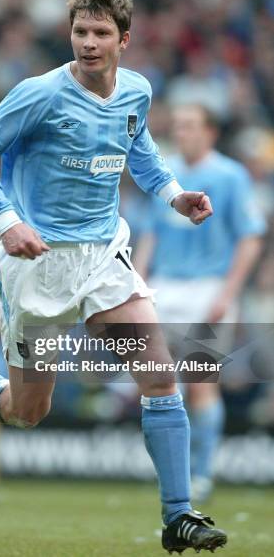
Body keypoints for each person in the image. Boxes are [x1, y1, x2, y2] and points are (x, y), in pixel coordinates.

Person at [0, 0, 227, 553]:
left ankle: (178, 516)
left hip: (102, 257)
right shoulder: (39, 94)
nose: (89, 43)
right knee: (26, 411)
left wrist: (173, 194)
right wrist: (5, 220)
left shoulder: (137, 91)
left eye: (100, 34)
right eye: (80, 32)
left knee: (160, 375)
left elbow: (138, 148)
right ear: (70, 34)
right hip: (36, 263)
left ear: (124, 40)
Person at [133, 104, 265, 502]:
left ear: (209, 132)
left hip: (207, 288)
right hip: (164, 288)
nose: (182, 133)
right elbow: (152, 233)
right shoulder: (167, 173)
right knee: (156, 382)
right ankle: (171, 473)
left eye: (190, 126)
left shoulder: (230, 175)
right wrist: (137, 280)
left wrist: (227, 293)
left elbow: (250, 237)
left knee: (201, 384)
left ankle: (202, 474)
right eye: (178, 127)